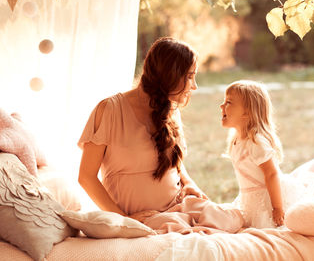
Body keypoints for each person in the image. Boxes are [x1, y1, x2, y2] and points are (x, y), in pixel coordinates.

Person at [77, 37, 243, 234]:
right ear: (169, 75)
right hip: (146, 217)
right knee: (184, 234)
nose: (194, 85)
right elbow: (86, 177)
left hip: (177, 206)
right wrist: (124, 219)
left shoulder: (170, 109)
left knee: (232, 220)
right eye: (189, 76)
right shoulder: (109, 110)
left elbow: (173, 162)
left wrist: (189, 183)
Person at [220, 80, 305, 228]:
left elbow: (271, 174)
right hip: (249, 197)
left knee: (271, 227)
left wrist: (277, 208)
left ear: (247, 112)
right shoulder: (236, 140)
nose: (221, 106)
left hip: (268, 198)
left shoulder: (256, 142)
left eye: (229, 102)